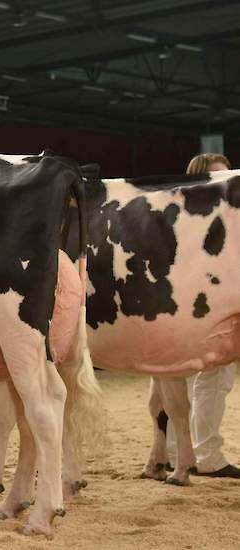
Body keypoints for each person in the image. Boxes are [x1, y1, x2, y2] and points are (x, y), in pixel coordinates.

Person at [165, 153, 240, 478]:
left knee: (177, 382)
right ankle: (207, 456)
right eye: (218, 178)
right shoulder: (205, 218)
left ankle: (175, 453)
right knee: (212, 377)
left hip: (180, 305)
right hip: (200, 305)